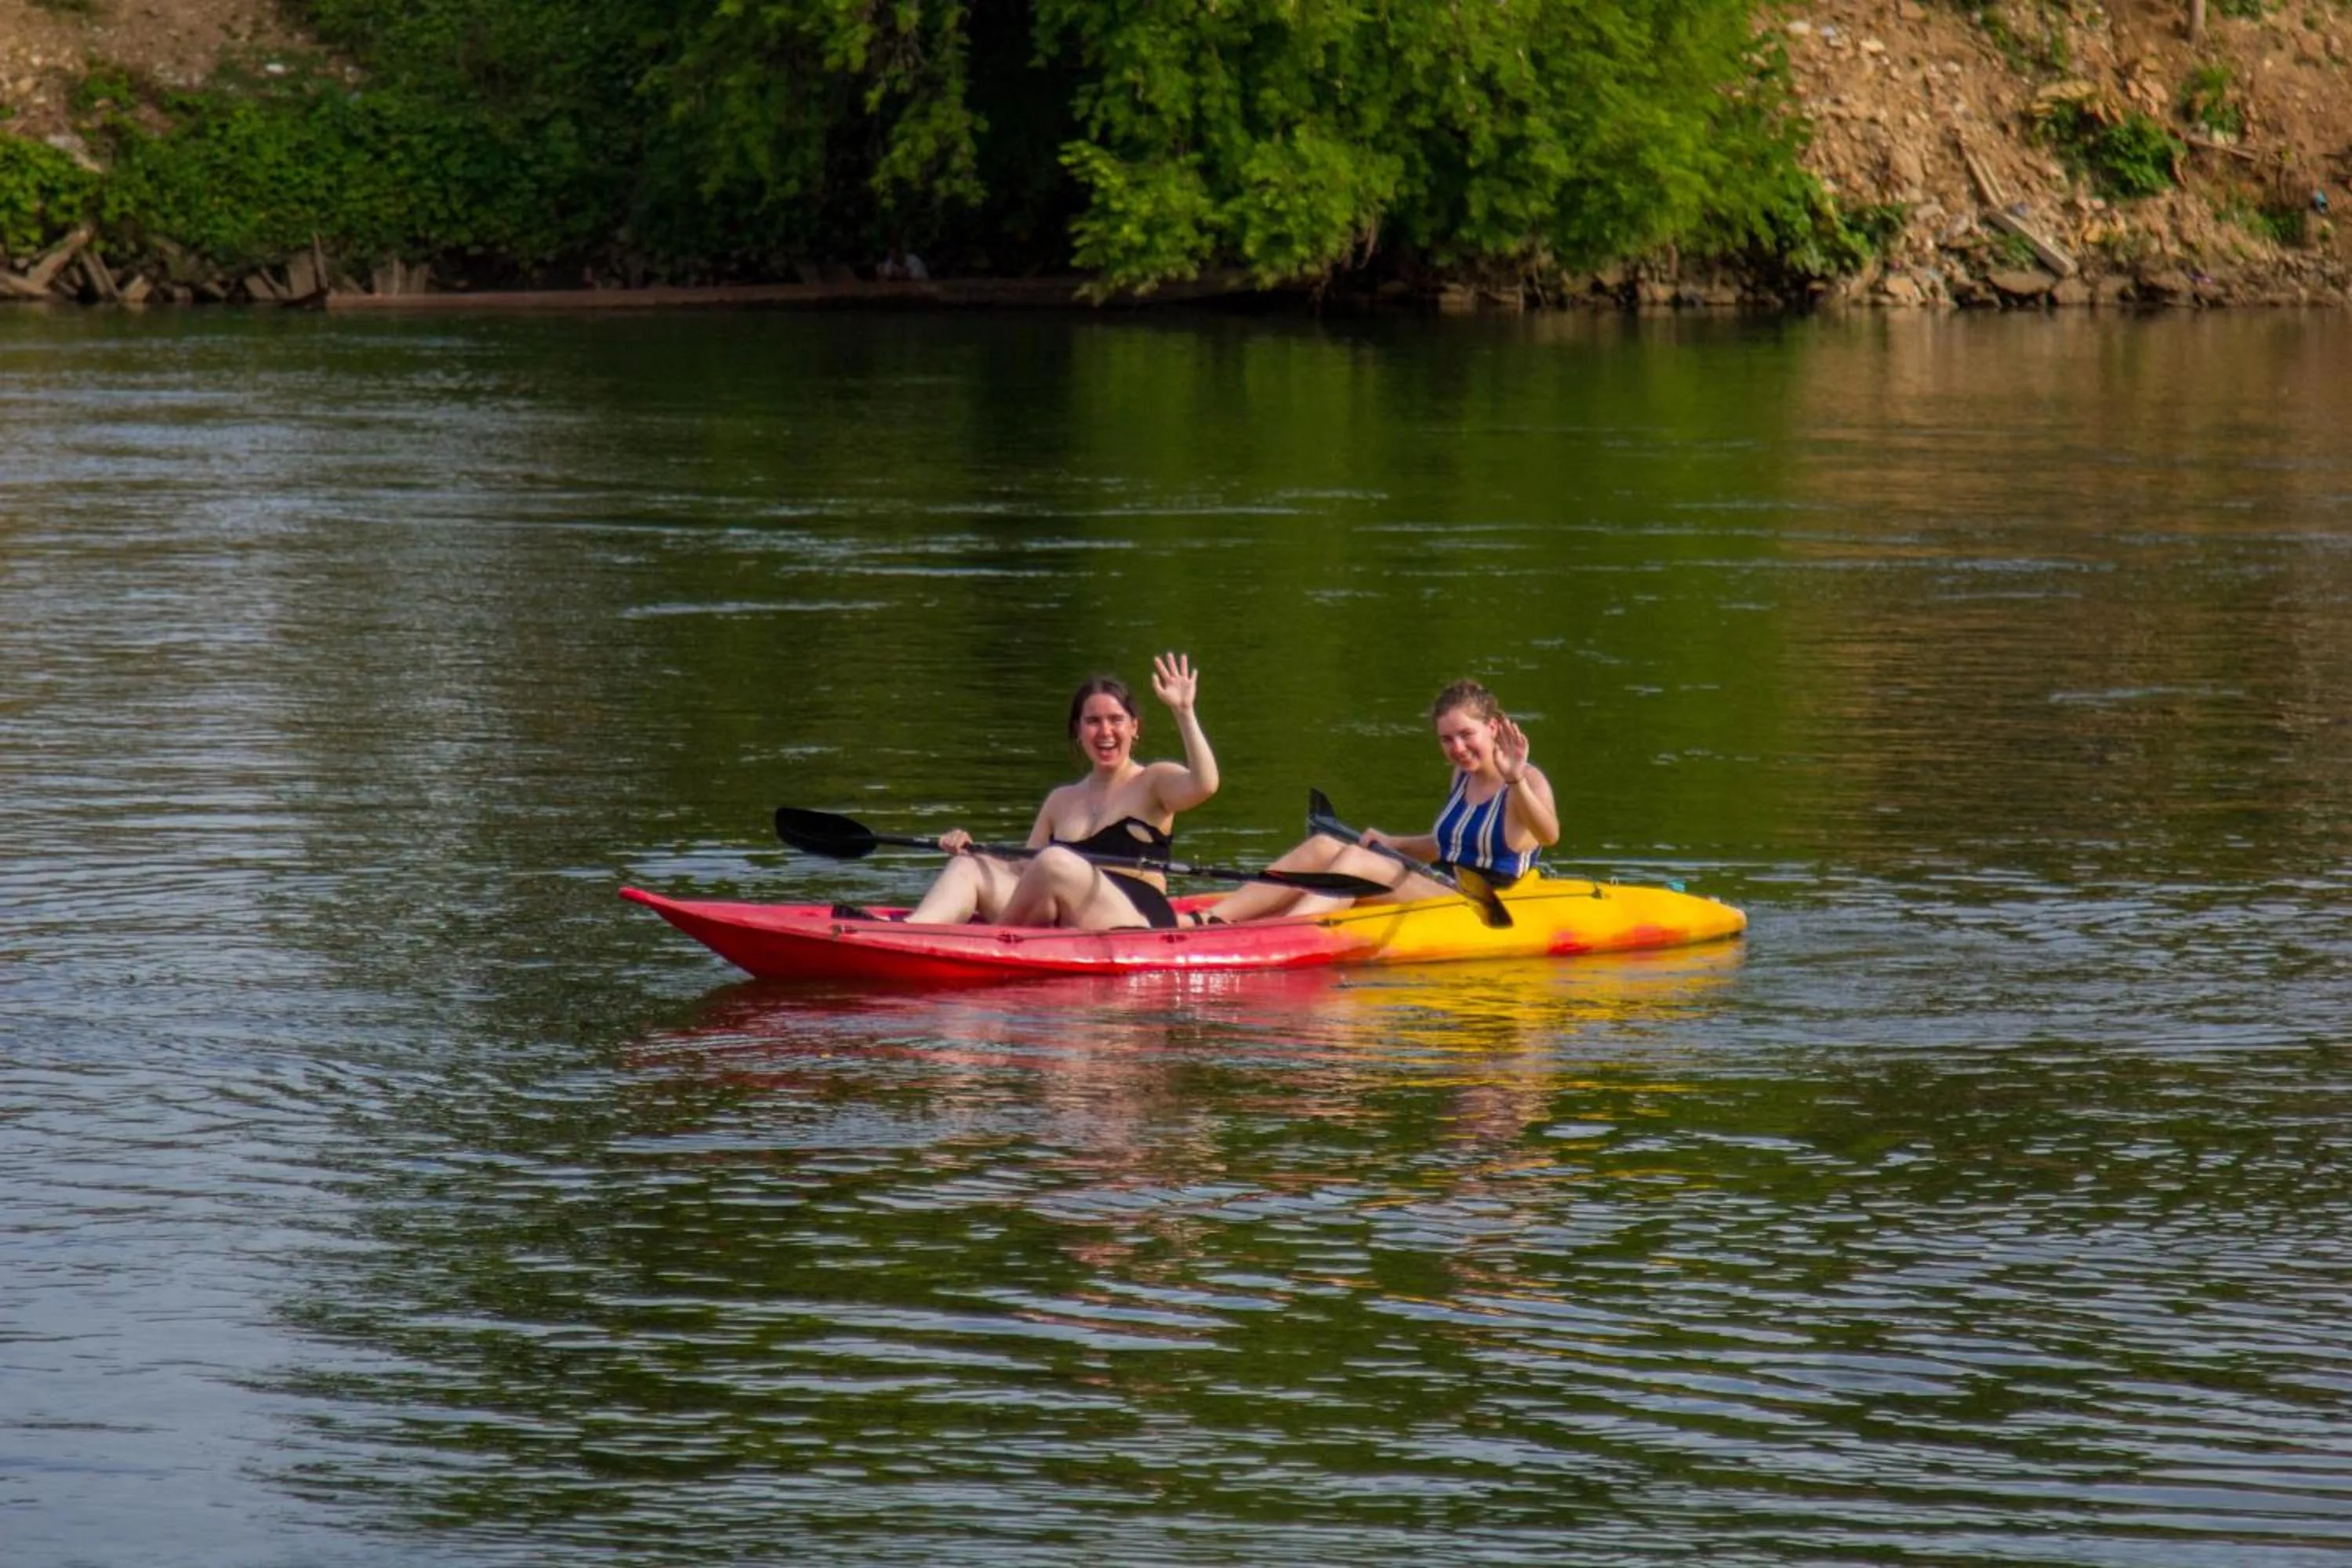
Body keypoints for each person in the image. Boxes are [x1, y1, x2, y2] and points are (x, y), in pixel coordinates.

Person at [887, 653, 1218, 929]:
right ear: (1078, 731)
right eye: (1093, 721)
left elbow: (1204, 785)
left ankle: (994, 940)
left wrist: (1183, 712)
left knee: (1055, 861)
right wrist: (973, 850)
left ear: (1134, 728)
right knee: (971, 867)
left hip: (1134, 918)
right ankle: (916, 931)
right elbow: (1024, 871)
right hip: (1065, 915)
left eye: (1116, 719)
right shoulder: (1060, 800)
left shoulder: (1155, 780)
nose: (1105, 731)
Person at [1192, 678, 1559, 925]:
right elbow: (1448, 846)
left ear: (1493, 728)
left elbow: (1548, 834)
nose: (1458, 749)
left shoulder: (1526, 781)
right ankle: (1211, 918)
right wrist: (1390, 843)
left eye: (1467, 735)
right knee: (1323, 845)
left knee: (1353, 861)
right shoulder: (1462, 776)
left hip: (1486, 902)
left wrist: (1515, 778)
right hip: (1443, 883)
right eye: (1447, 740)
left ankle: (1286, 930)